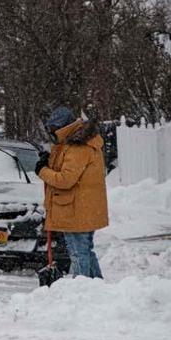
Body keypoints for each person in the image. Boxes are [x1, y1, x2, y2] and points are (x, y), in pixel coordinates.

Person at [35, 107, 109, 279]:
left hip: (76, 210)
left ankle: (81, 289)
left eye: (53, 131)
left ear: (62, 128)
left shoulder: (77, 147)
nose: (51, 135)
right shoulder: (79, 142)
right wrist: (48, 160)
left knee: (78, 253)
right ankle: (96, 287)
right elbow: (66, 168)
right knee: (85, 251)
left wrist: (42, 170)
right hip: (83, 208)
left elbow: (65, 180)